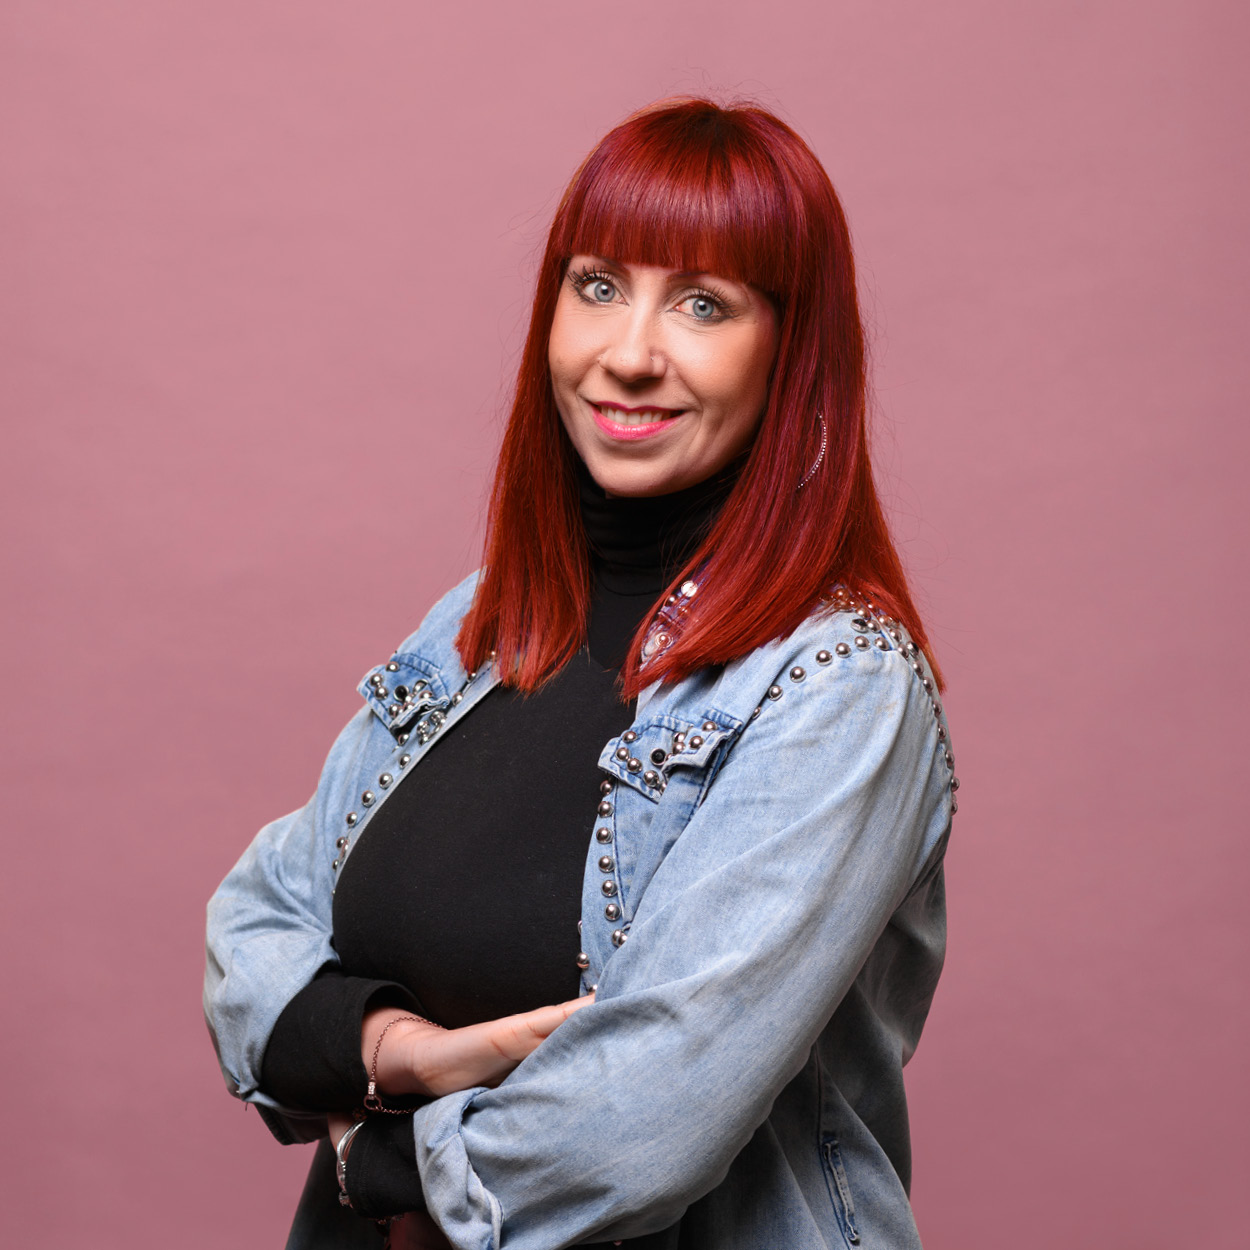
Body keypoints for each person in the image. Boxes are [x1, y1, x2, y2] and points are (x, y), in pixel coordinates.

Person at [204, 97, 956, 1250]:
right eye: (598, 284)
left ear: (790, 351)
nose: (629, 353)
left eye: (702, 304)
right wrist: (400, 1049)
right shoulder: (480, 623)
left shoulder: (838, 683)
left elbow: (641, 1123)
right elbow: (255, 927)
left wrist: (378, 1154)